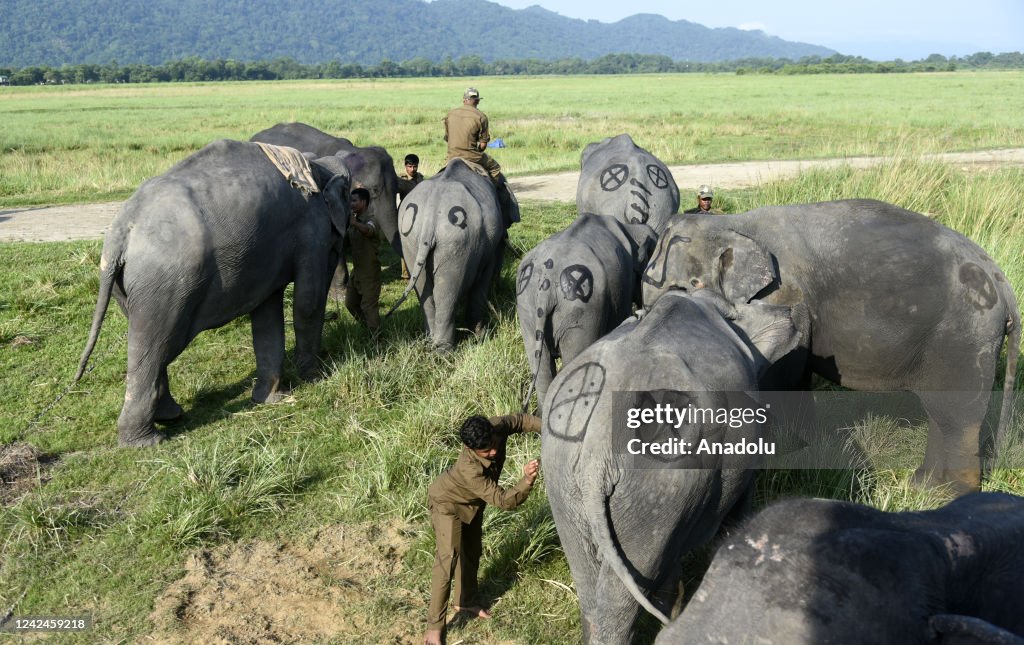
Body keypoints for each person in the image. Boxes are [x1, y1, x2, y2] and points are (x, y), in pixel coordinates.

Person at [424, 413, 541, 645]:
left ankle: (466, 600)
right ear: (470, 447)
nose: (493, 452)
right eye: (486, 451)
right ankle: (434, 627)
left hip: (473, 504)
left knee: (472, 552)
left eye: (493, 445)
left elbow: (519, 421)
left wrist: (548, 428)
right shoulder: (469, 469)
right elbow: (503, 500)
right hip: (447, 504)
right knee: (447, 561)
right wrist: (526, 481)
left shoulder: (495, 427)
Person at [443, 87, 518, 228]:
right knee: (495, 168)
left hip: (452, 155)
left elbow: (448, 138)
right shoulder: (481, 117)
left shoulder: (451, 114)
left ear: (464, 100)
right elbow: (483, 145)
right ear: (477, 101)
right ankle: (493, 195)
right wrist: (475, 149)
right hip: (472, 156)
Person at [344, 187, 382, 335]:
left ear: (364, 202)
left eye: (355, 201)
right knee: (350, 304)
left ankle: (376, 338)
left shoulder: (371, 219)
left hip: (370, 272)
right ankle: (368, 326)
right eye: (350, 201)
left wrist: (354, 224)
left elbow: (369, 230)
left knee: (368, 306)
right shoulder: (353, 220)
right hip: (357, 271)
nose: (351, 204)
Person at [397, 154, 424, 280]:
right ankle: (406, 273)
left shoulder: (420, 178)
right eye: (409, 166)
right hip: (405, 214)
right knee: (405, 243)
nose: (412, 169)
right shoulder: (401, 179)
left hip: (419, 213)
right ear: (405, 166)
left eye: (414, 166)